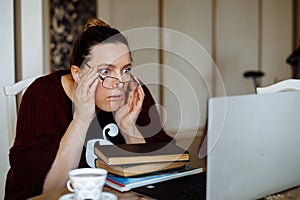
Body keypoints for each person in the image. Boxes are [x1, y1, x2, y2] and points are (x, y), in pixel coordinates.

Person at [5, 18, 173, 200]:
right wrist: (81, 119)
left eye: (125, 70)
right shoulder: (42, 95)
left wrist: (129, 128)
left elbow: (154, 180)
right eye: (106, 72)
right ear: (77, 73)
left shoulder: (132, 91)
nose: (119, 83)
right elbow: (49, 191)